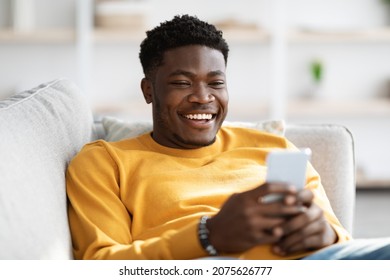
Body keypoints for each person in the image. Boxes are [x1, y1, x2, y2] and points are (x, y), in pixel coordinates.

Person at [66, 14, 390, 260]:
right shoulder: (103, 162)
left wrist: (325, 235)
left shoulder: (274, 147)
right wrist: (208, 236)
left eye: (216, 83)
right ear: (149, 90)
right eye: (182, 83)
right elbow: (102, 263)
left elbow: (343, 245)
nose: (202, 97)